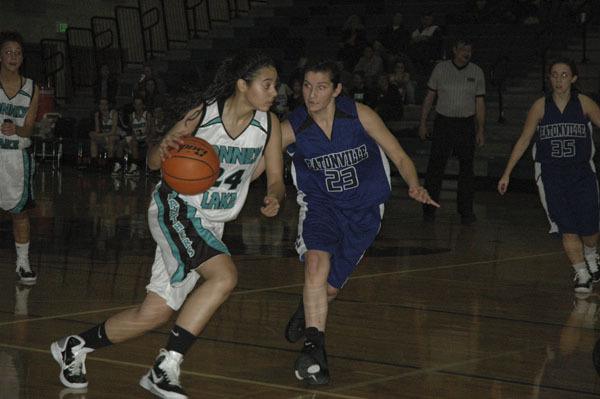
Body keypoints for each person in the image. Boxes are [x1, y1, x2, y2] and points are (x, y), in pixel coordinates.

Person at [51, 51, 285, 399]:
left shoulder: (269, 125)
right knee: (224, 276)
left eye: (275, 86)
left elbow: (277, 178)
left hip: (211, 223)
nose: (274, 92)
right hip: (177, 207)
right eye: (267, 85)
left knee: (155, 312)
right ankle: (166, 366)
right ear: (242, 85)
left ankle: (74, 347)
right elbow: (153, 161)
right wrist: (166, 147)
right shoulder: (202, 115)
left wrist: (275, 197)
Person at [280, 60, 438, 385]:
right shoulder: (292, 126)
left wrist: (414, 183)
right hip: (320, 205)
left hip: (364, 210)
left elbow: (398, 154)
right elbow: (260, 158)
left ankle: (307, 308)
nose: (312, 94)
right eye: (307, 86)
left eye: (321, 87)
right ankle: (314, 353)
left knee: (329, 290)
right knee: (315, 264)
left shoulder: (359, 115)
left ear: (337, 90)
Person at [497, 58, 600, 294]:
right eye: (554, 74)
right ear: (549, 78)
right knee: (567, 227)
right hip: (551, 174)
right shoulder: (540, 107)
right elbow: (524, 139)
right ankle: (582, 273)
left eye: (564, 75)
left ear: (573, 78)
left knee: (590, 229)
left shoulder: (584, 103)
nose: (559, 79)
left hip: (582, 173)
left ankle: (592, 255)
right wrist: (507, 173)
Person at [419, 37, 485, 225]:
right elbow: (430, 97)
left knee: (467, 169)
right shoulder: (441, 69)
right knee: (435, 168)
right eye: (464, 48)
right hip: (444, 123)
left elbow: (480, 103)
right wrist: (423, 122)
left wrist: (481, 129)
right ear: (455, 50)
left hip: (465, 124)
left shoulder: (477, 72)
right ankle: (429, 208)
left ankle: (466, 211)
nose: (467, 53)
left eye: (470, 49)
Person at [0, 31, 39, 285]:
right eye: (8, 52)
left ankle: (23, 263)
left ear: (22, 58)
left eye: (18, 53)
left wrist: (16, 129)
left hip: (16, 157)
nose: (13, 57)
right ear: (0, 56)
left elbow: (29, 128)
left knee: (20, 213)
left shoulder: (31, 87)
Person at [89, 97, 120, 171]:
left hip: (117, 135)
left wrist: (99, 135)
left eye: (105, 104)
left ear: (108, 105)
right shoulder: (97, 114)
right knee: (93, 140)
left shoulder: (114, 113)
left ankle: (109, 164)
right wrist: (93, 134)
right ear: (99, 106)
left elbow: (113, 131)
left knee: (111, 138)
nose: (103, 106)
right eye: (101, 104)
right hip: (105, 136)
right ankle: (94, 164)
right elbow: (97, 131)